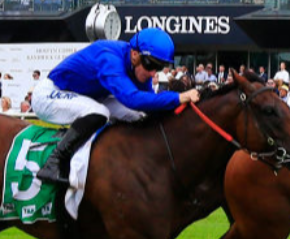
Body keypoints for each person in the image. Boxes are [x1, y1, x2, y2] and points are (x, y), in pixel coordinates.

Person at [31, 27, 200, 185]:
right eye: (150, 65)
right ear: (134, 54)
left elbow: (148, 106)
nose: (153, 73)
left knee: (138, 116)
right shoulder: (109, 58)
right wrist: (178, 97)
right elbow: (132, 99)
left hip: (87, 96)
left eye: (159, 67)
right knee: (99, 112)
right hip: (50, 94)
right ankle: (53, 162)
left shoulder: (138, 65)